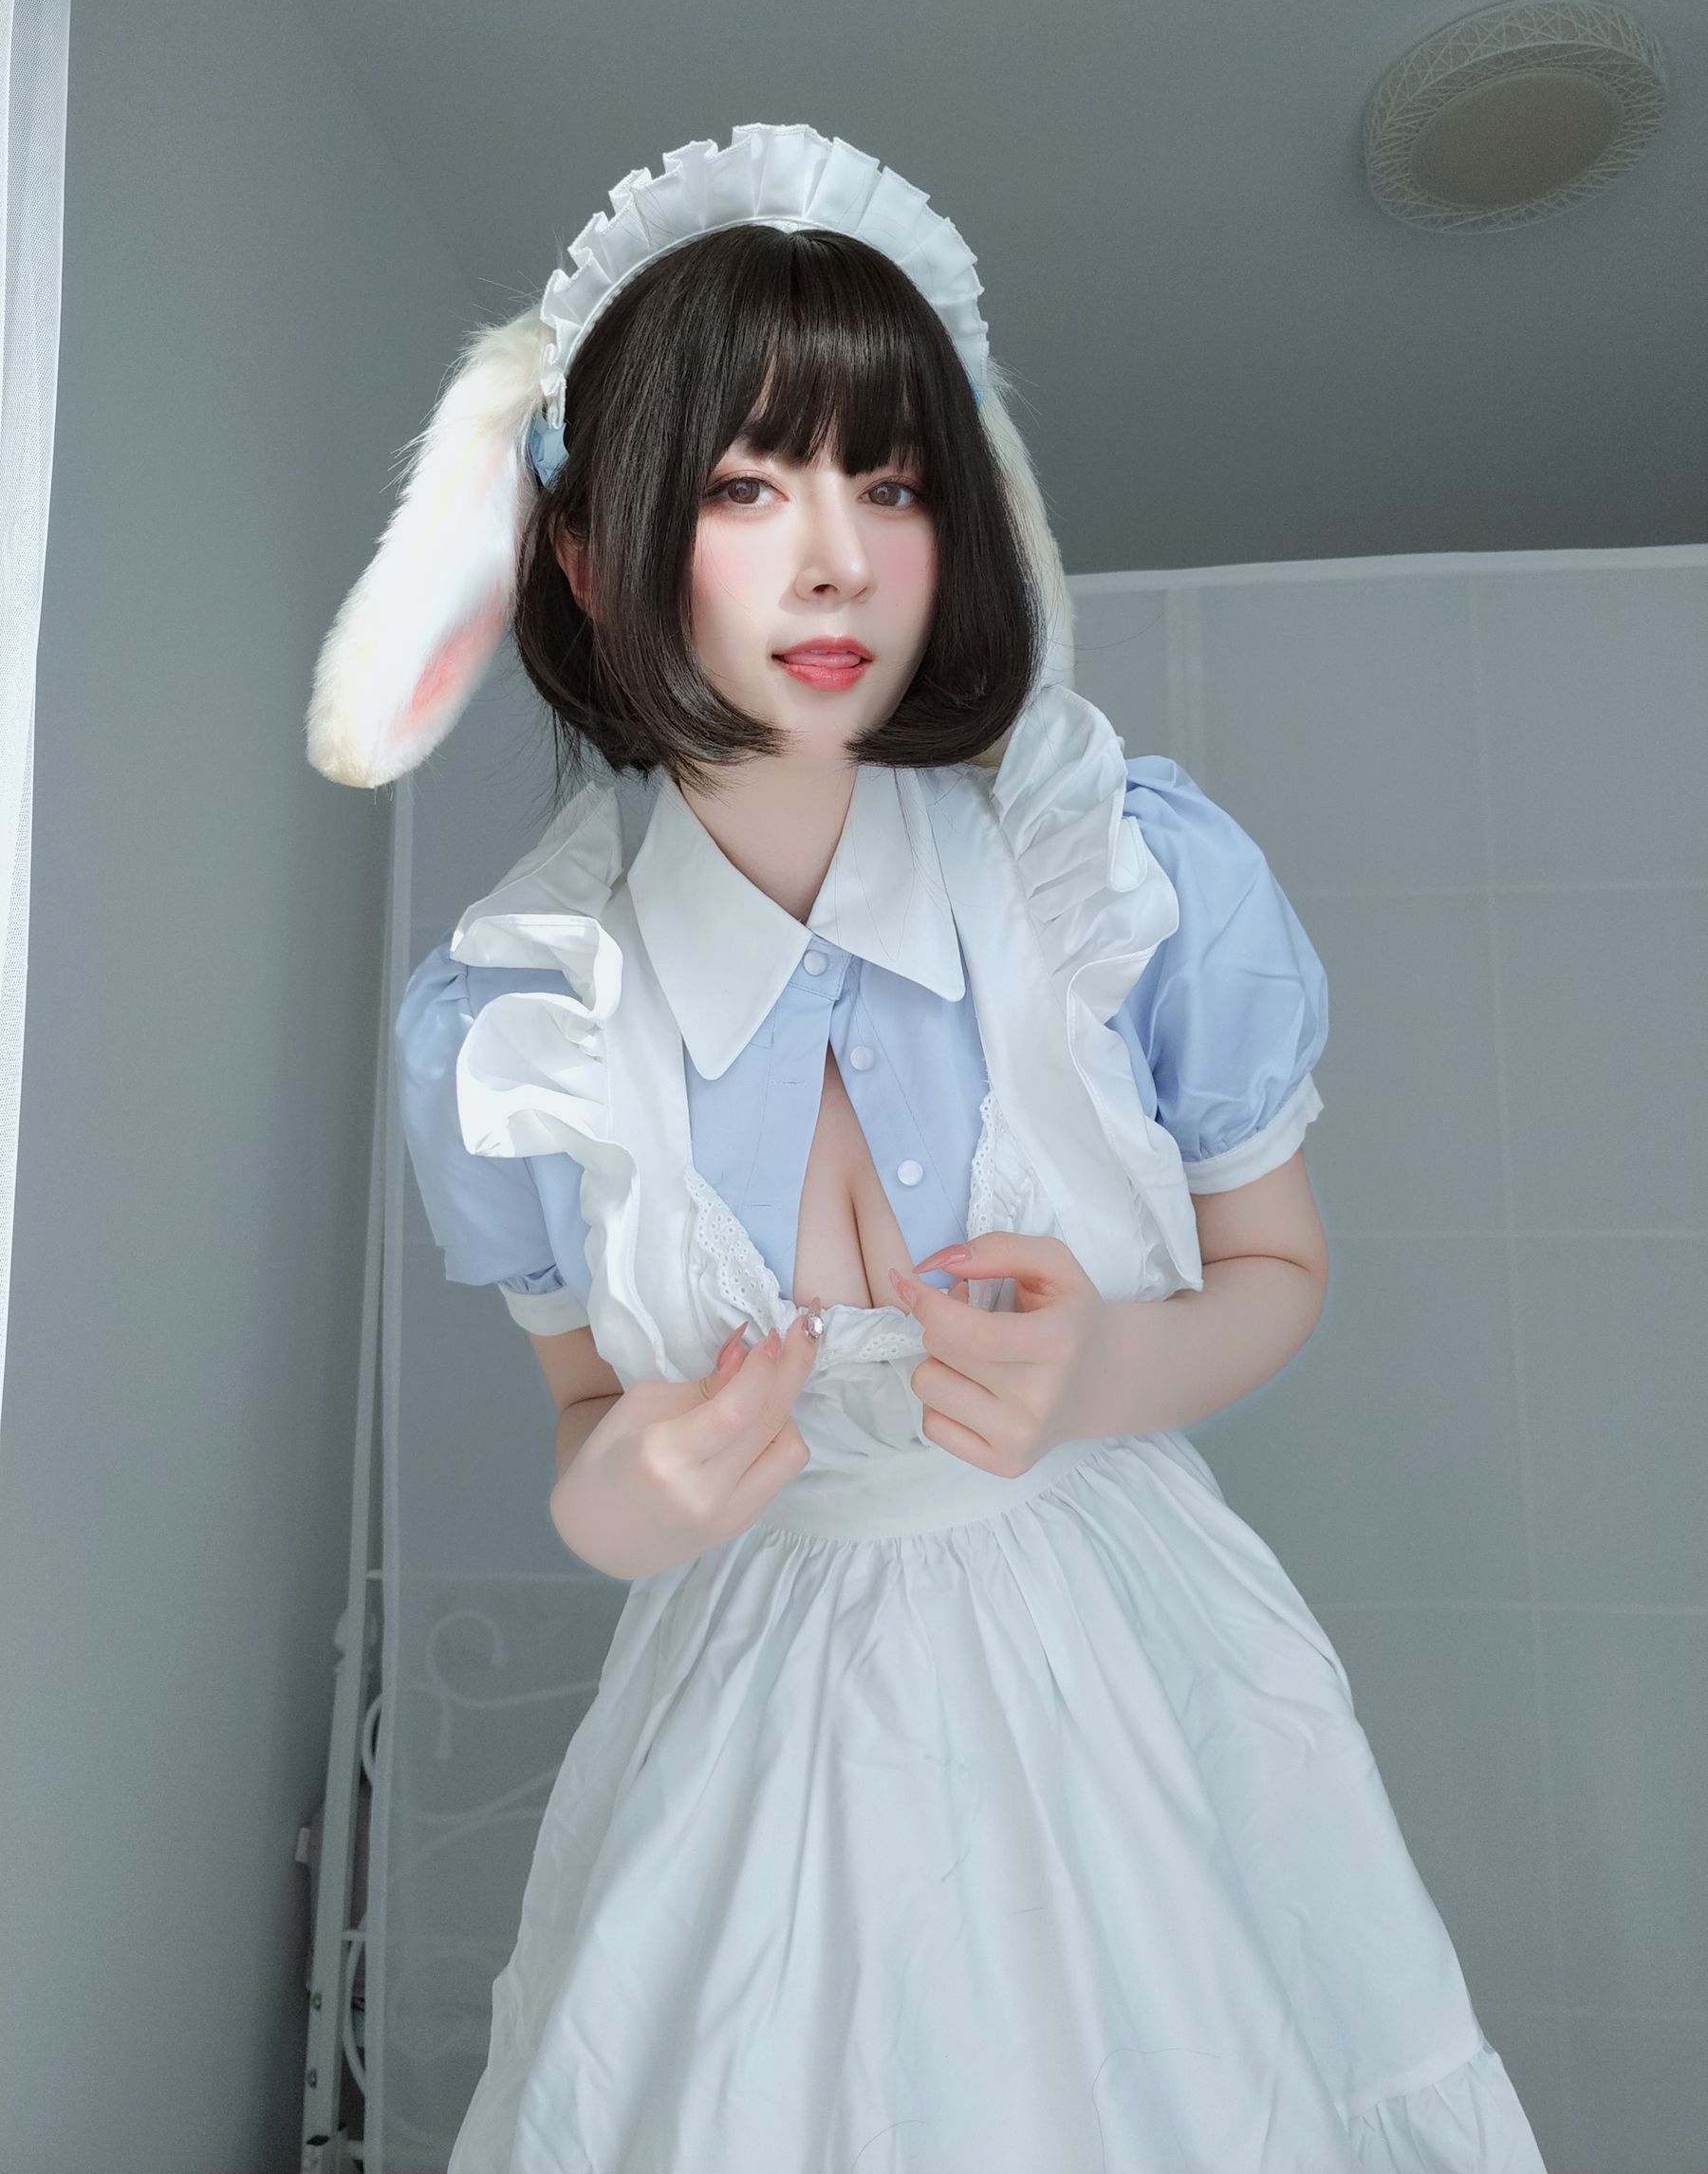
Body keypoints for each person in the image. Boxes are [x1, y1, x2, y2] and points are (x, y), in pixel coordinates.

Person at [310, 125, 1549, 2173]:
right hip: (749, 1725)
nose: (839, 561)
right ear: (591, 559)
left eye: (892, 483)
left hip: (1135, 1676)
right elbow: (590, 1424)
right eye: (747, 484)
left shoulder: (1115, 880)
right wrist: (626, 1500)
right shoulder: (526, 1024)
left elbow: (1279, 1268)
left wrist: (1113, 1366)